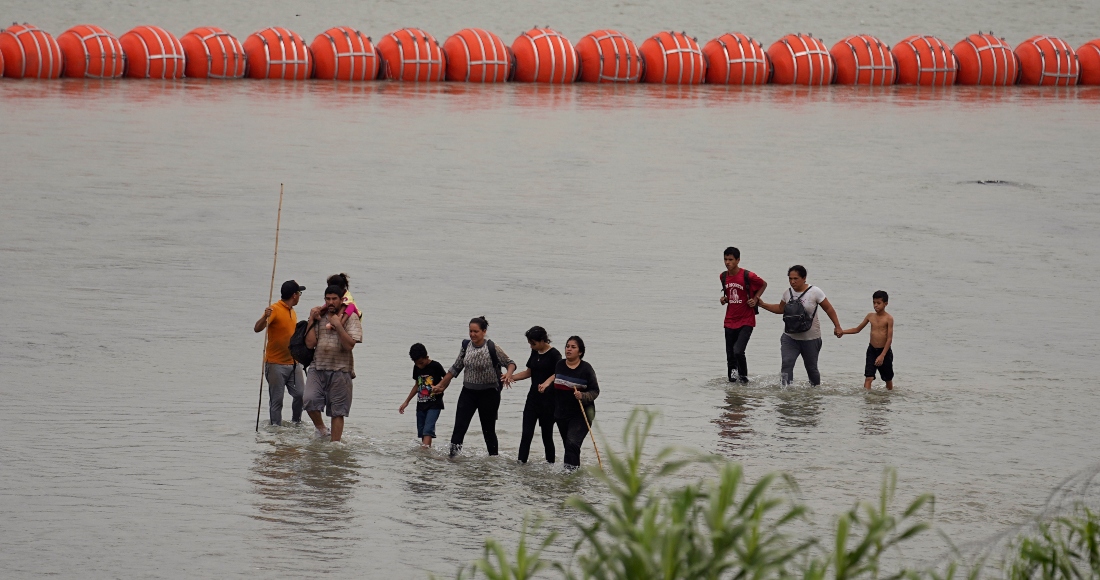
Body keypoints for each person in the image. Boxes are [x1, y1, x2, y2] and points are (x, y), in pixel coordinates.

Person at [433, 317, 516, 458]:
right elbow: (455, 368)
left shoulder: (492, 347)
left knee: (488, 430)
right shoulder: (466, 346)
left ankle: (493, 460)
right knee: (459, 428)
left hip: (489, 394)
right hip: (468, 393)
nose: (472, 334)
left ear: (484, 331)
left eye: (476, 331)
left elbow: (510, 362)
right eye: (470, 331)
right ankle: (452, 459)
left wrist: (508, 374)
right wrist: (441, 385)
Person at [757, 265, 843, 386]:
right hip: (790, 338)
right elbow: (780, 308)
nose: (792, 282)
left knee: (811, 369)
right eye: (790, 279)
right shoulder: (787, 293)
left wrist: (837, 326)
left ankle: (815, 394)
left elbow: (829, 309)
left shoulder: (815, 292)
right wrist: (762, 304)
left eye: (796, 278)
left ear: (804, 278)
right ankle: (786, 394)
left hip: (811, 339)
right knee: (787, 363)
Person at [303, 285, 363, 442]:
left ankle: (335, 445)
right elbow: (310, 344)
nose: (330, 302)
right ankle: (323, 430)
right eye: (327, 299)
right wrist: (311, 319)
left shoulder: (351, 317)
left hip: (341, 369)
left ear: (341, 299)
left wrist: (337, 325)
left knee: (338, 411)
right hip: (317, 366)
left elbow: (349, 345)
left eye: (334, 299)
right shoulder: (320, 316)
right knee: (309, 400)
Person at [253, 280, 306, 426]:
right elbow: (257, 328)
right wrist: (265, 316)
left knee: (301, 395)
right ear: (294, 295)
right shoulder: (275, 309)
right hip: (275, 364)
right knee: (277, 400)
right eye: (299, 293)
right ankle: (276, 428)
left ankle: (296, 423)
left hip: (294, 363)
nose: (300, 296)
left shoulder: (292, 311)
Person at [543, 336, 599, 471]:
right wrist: (546, 387)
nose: (569, 349)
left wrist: (583, 395)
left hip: (581, 413)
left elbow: (595, 391)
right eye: (567, 346)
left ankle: (569, 475)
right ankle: (573, 476)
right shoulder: (560, 365)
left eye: (573, 347)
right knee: (569, 446)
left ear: (580, 352)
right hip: (562, 413)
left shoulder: (586, 368)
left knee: (572, 443)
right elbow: (557, 383)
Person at [511, 326, 562, 464]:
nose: (531, 346)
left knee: (547, 436)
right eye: (529, 343)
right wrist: (511, 377)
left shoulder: (554, 354)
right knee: (526, 434)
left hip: (549, 401)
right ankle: (521, 464)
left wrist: (546, 383)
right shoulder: (535, 352)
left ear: (543, 340)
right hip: (532, 399)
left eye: (533, 343)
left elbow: (559, 373)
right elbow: (529, 372)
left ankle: (550, 465)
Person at [719, 247, 767, 383]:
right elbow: (731, 294)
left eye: (731, 260)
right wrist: (725, 299)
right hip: (729, 320)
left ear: (738, 260)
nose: (727, 262)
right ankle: (732, 383)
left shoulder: (748, 275)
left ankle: (744, 380)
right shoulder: (723, 276)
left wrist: (756, 298)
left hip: (746, 320)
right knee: (730, 355)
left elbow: (763, 284)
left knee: (738, 351)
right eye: (725, 259)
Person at [840, 290, 895, 390]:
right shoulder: (870, 316)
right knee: (869, 377)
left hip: (884, 351)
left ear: (885, 304)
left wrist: (882, 355)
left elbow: (889, 339)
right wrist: (843, 332)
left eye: (878, 303)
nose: (875, 305)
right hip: (872, 350)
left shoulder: (889, 318)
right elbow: (857, 329)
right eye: (874, 303)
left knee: (888, 378)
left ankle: (889, 398)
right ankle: (867, 401)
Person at [399, 343, 447, 447]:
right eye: (417, 363)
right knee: (422, 432)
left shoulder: (436, 366)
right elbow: (417, 385)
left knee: (428, 430)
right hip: (421, 405)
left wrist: (441, 387)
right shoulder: (416, 368)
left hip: (434, 404)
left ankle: (424, 452)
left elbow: (447, 378)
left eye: (421, 362)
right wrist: (406, 401)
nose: (419, 366)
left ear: (427, 357)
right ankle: (426, 455)